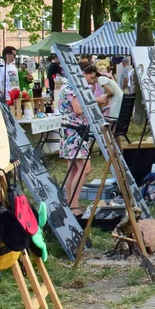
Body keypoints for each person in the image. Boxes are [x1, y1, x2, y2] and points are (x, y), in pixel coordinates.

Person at [57, 83, 91, 215]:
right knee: (84, 169)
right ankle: (74, 205)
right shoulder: (72, 88)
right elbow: (78, 109)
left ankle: (70, 202)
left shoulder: (65, 86)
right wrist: (94, 103)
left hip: (69, 131)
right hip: (74, 132)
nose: (92, 80)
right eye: (91, 77)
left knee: (73, 170)